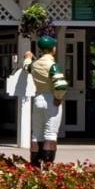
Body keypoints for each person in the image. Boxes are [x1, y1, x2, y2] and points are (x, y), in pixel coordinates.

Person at [21, 36, 70, 168]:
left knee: (36, 134)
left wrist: (28, 57)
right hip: (51, 99)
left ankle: (35, 164)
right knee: (50, 134)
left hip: (38, 98)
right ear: (53, 49)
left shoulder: (35, 65)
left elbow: (27, 67)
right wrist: (59, 97)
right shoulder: (53, 65)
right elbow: (60, 85)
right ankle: (48, 165)